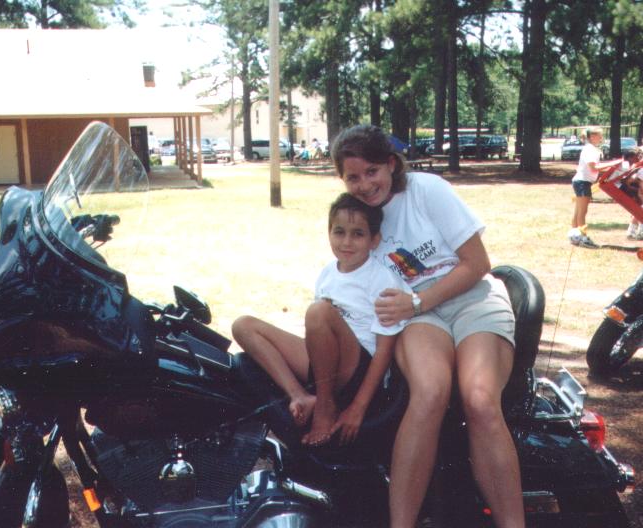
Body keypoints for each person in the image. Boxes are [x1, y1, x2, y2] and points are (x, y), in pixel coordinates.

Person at [330, 124, 524, 528]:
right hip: (417, 315)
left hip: (471, 298)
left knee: (480, 398)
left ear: (391, 164)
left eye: (372, 171)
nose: (365, 185)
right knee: (430, 392)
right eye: (353, 177)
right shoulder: (360, 216)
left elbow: (477, 263)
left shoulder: (426, 190)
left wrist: (418, 301)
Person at [232, 193, 408, 446]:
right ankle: (300, 396)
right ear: (329, 232)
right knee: (243, 326)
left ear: (374, 240)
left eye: (358, 234)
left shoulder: (381, 278)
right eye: (339, 232)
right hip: (326, 363)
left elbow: (384, 350)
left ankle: (325, 407)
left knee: (319, 311)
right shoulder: (328, 273)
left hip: (358, 368)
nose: (346, 242)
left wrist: (358, 406)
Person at [568, 127, 623, 248]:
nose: (601, 138)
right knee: (582, 212)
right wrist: (613, 163)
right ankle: (583, 238)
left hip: (582, 182)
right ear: (592, 137)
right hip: (582, 182)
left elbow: (595, 167)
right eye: (599, 136)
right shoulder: (590, 149)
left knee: (578, 211)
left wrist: (611, 165)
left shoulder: (591, 149)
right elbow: (594, 167)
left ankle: (574, 236)